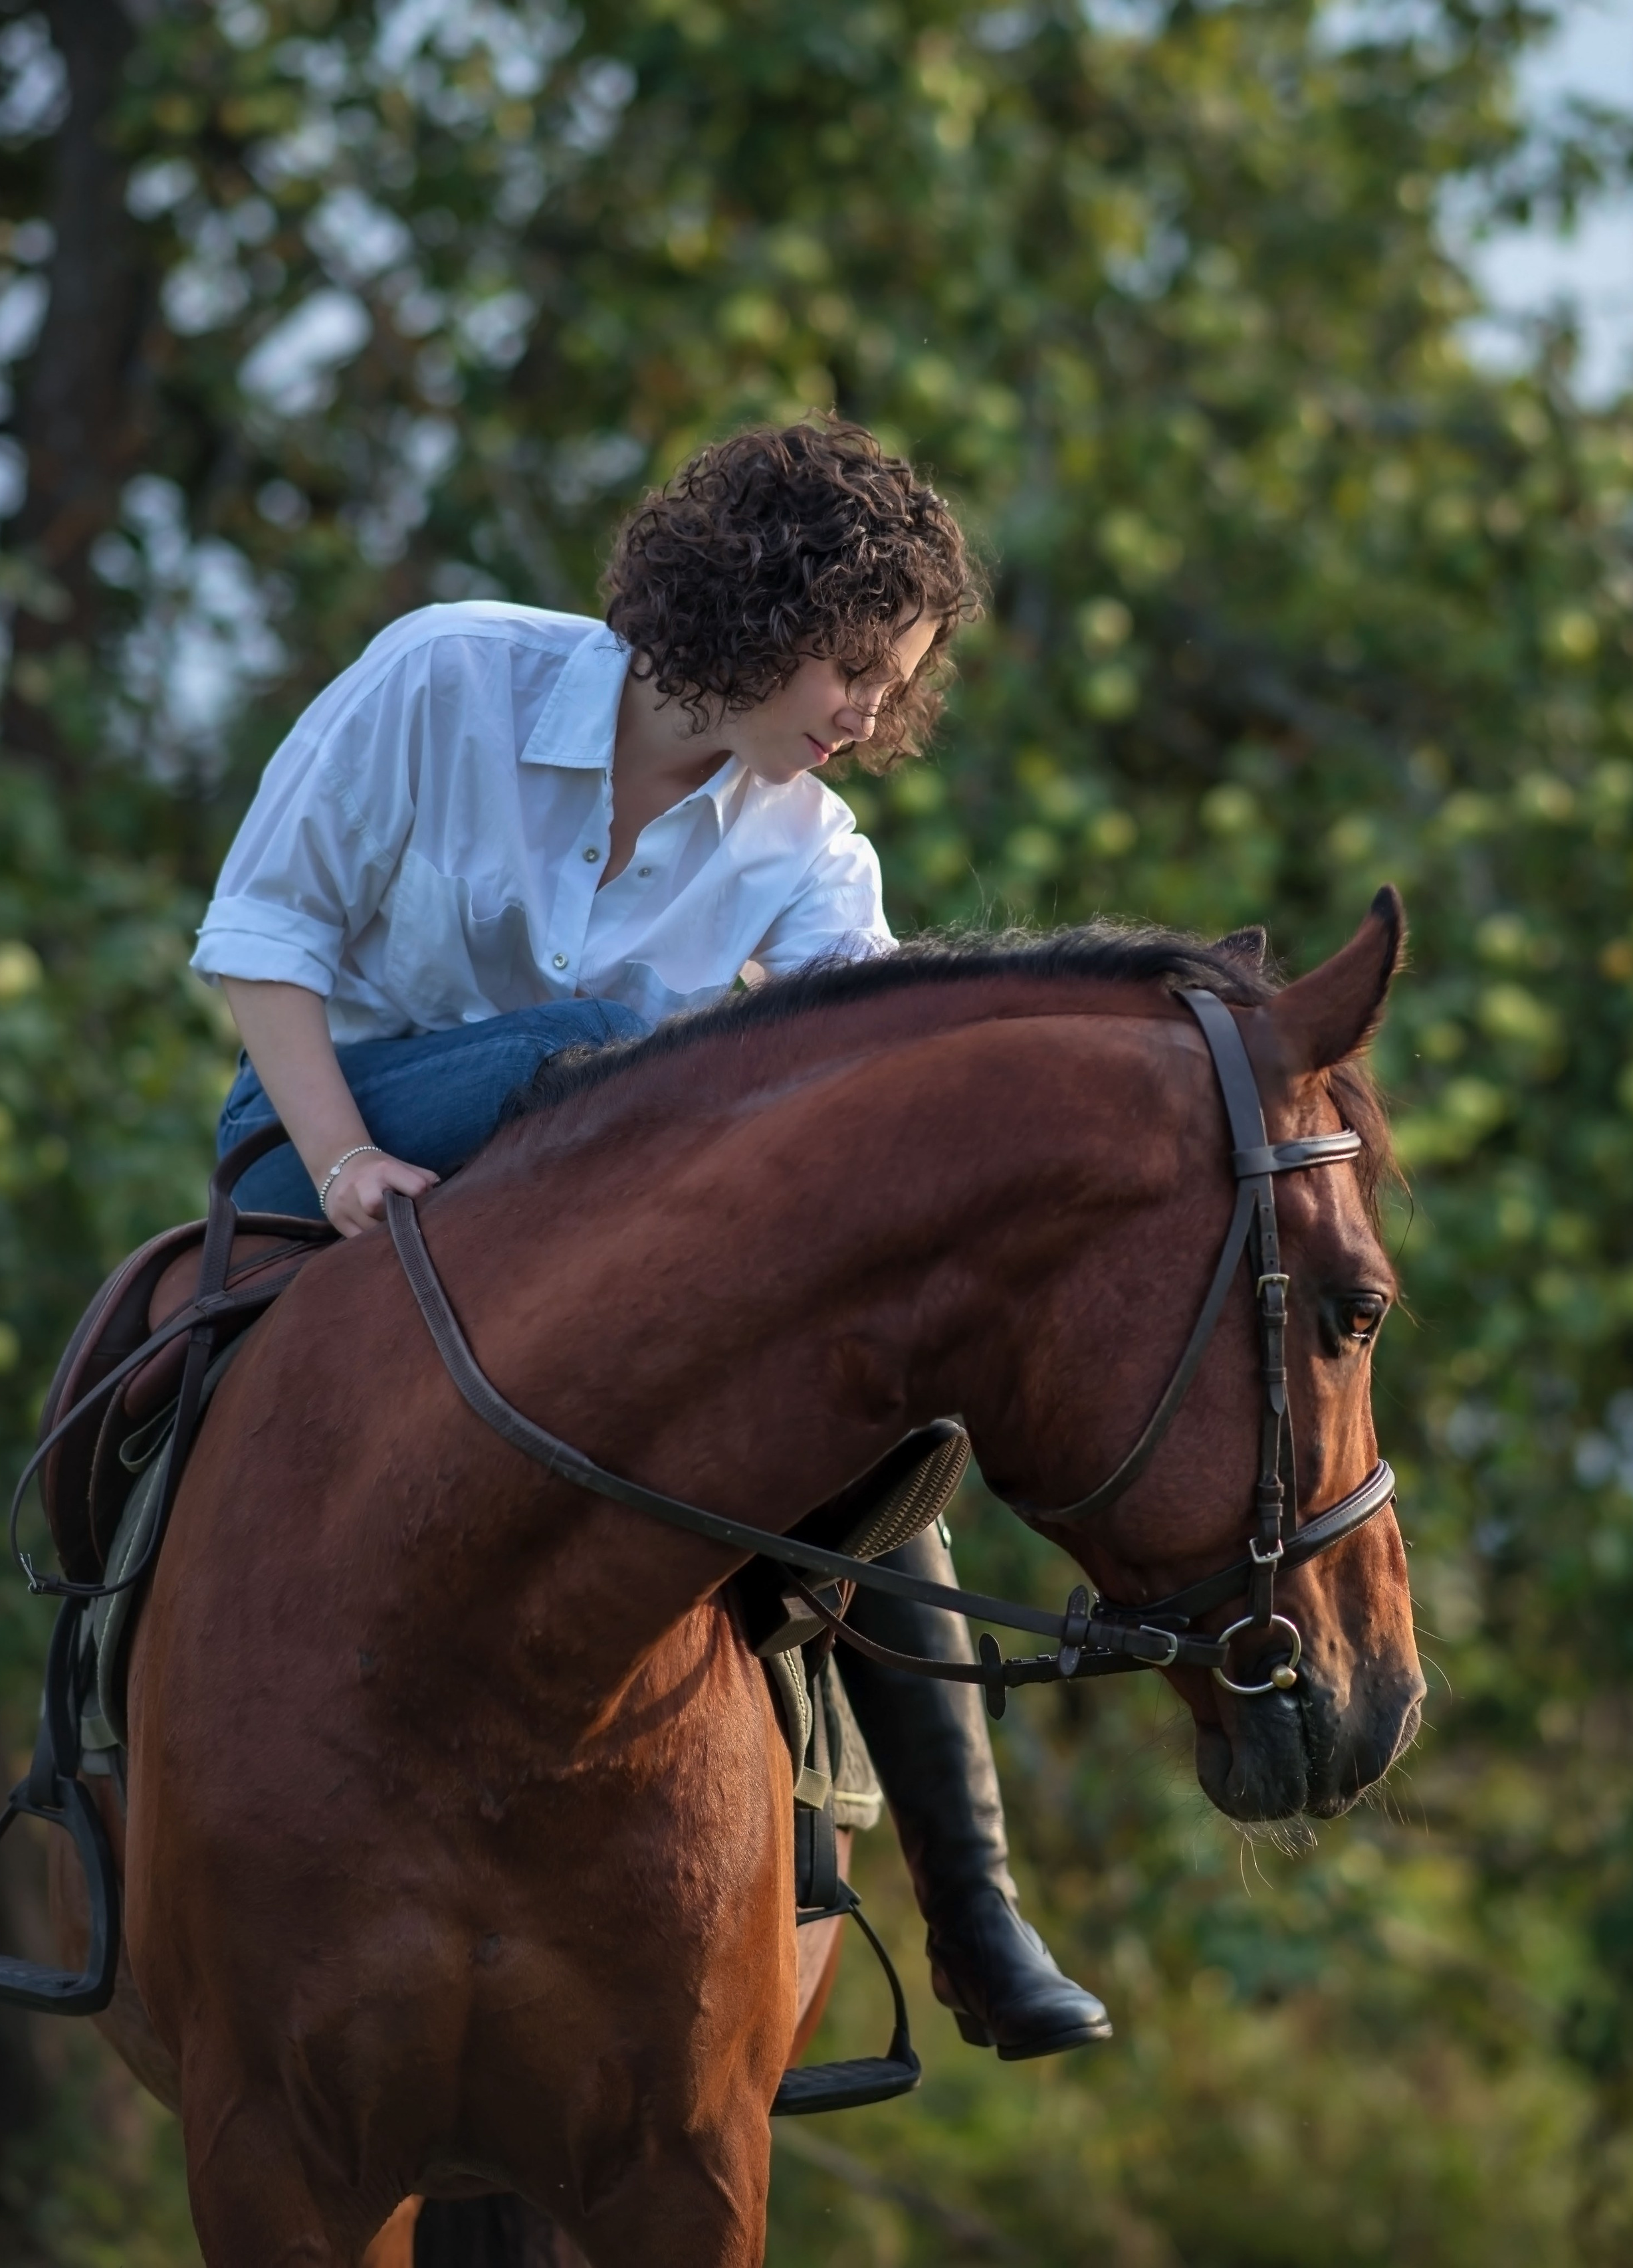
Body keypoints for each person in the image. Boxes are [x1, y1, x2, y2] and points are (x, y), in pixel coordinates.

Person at [191, 417, 1111, 2061]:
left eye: (895, 686)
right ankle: (103, 1758)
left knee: (863, 1400)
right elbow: (265, 932)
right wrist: (338, 1163)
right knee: (591, 1055)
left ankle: (971, 1909)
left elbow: (868, 1079)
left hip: (601, 1219)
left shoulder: (814, 855)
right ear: (756, 609)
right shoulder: (444, 677)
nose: (870, 714)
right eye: (850, 664)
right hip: (353, 1124)